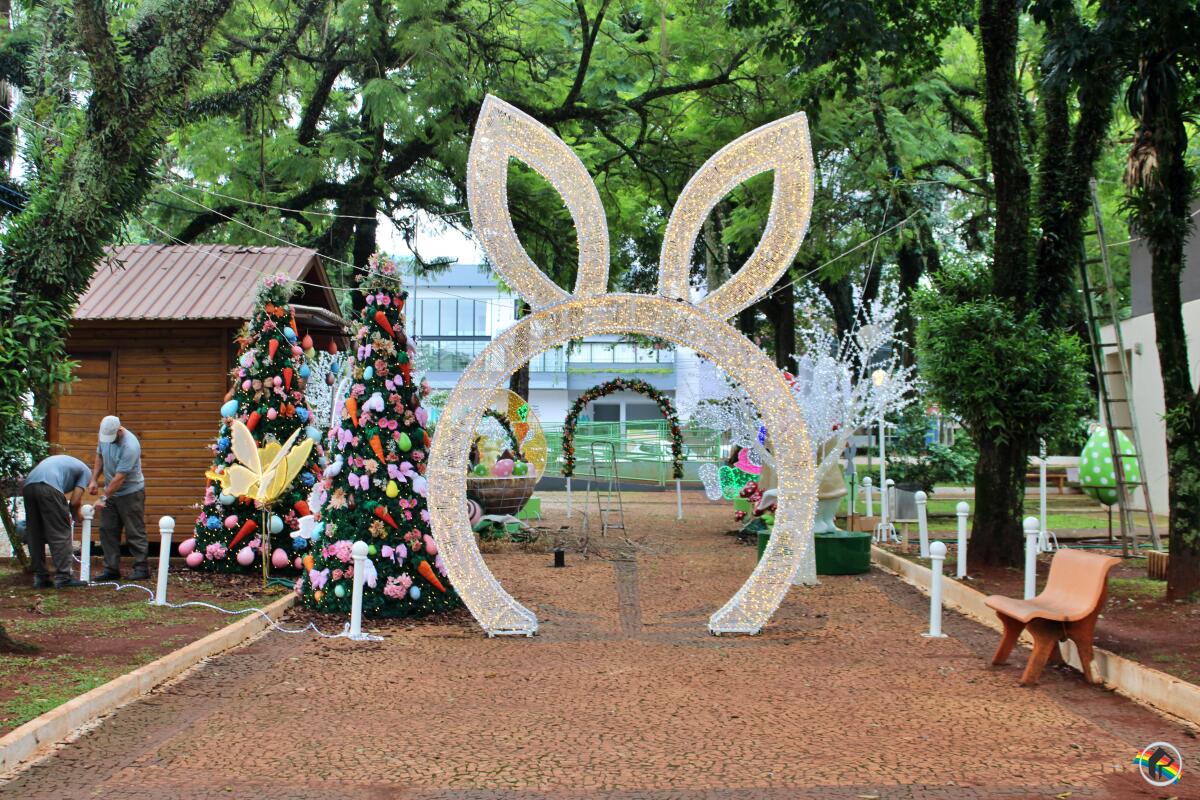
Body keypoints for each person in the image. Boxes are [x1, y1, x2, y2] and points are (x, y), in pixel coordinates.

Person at [88, 416, 149, 580]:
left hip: (131, 492)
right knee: (107, 529)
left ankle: (141, 568)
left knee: (134, 530)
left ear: (119, 430)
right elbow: (100, 456)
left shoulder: (131, 445)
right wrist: (94, 479)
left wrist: (103, 497)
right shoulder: (104, 435)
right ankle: (111, 569)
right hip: (111, 492)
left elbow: (120, 477)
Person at [22, 454, 90, 588]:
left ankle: (40, 577)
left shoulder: (67, 463)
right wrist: (77, 516)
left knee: (35, 533)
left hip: (28, 486)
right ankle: (63, 577)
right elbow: (75, 501)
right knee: (60, 532)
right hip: (49, 487)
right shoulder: (86, 472)